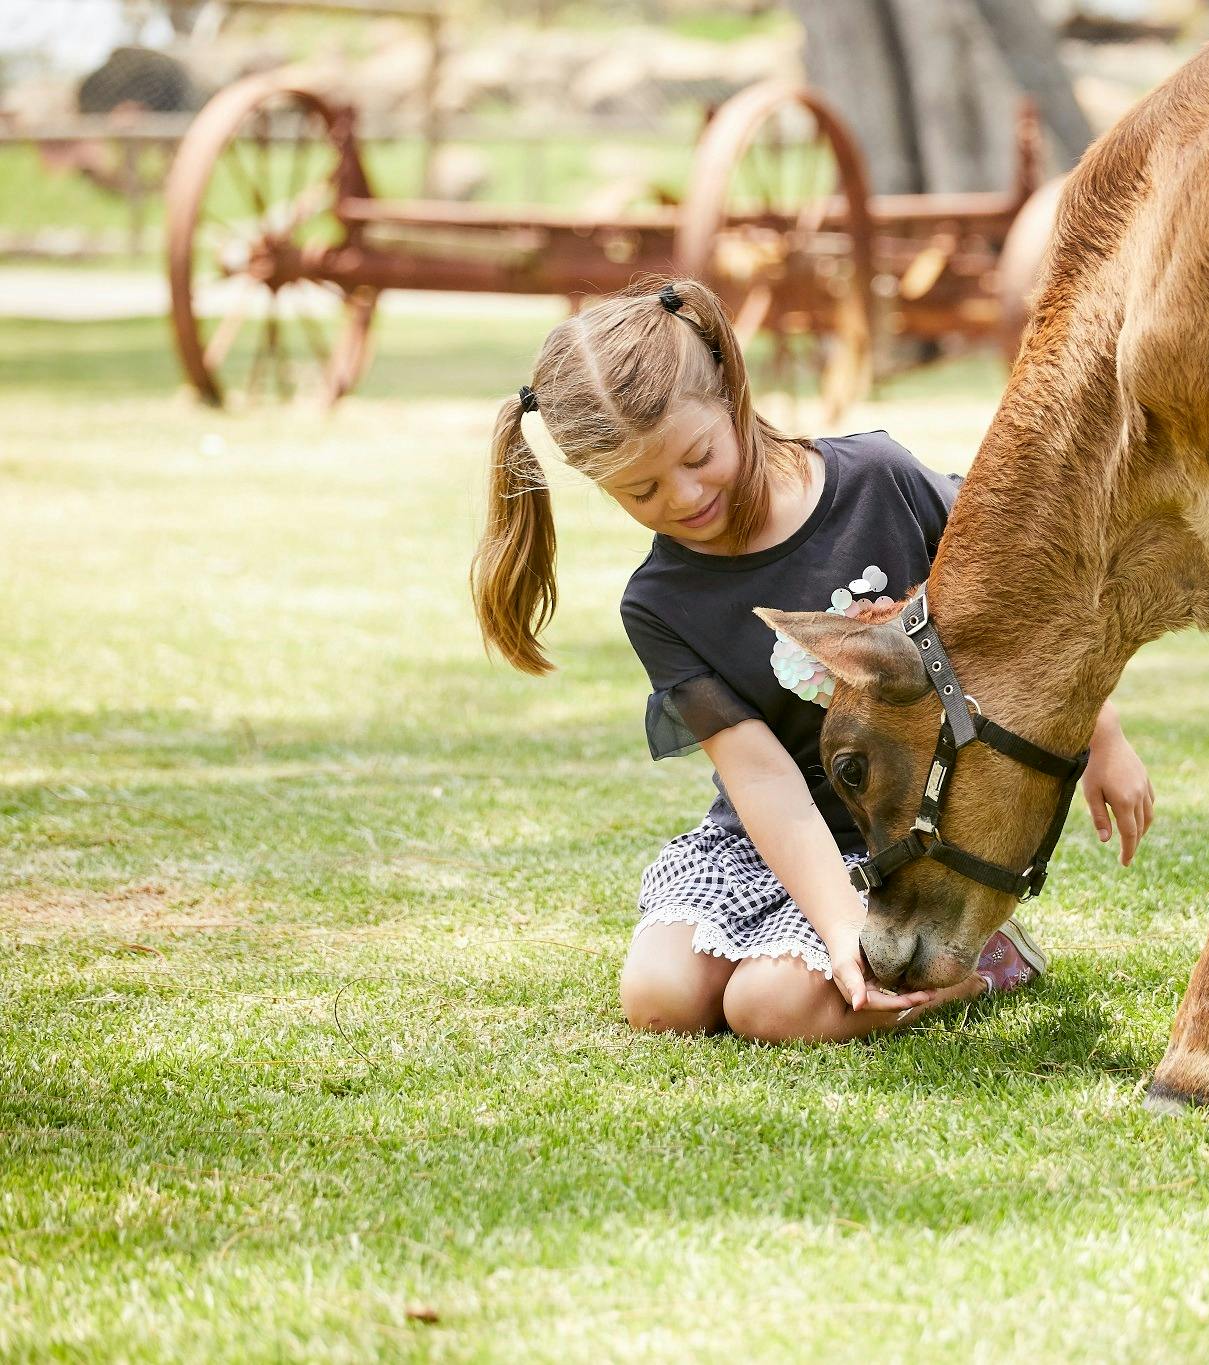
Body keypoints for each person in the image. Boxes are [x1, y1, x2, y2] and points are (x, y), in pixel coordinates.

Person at [470, 280, 1155, 1042]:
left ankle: (985, 957)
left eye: (698, 455)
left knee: (771, 1008)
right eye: (642, 490)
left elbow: (1021, 604)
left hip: (900, 839)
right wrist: (838, 930)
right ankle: (821, 948)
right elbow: (763, 779)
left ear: (731, 393)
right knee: (660, 999)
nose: (685, 495)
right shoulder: (659, 604)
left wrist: (1103, 731)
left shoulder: (880, 480)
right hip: (769, 842)